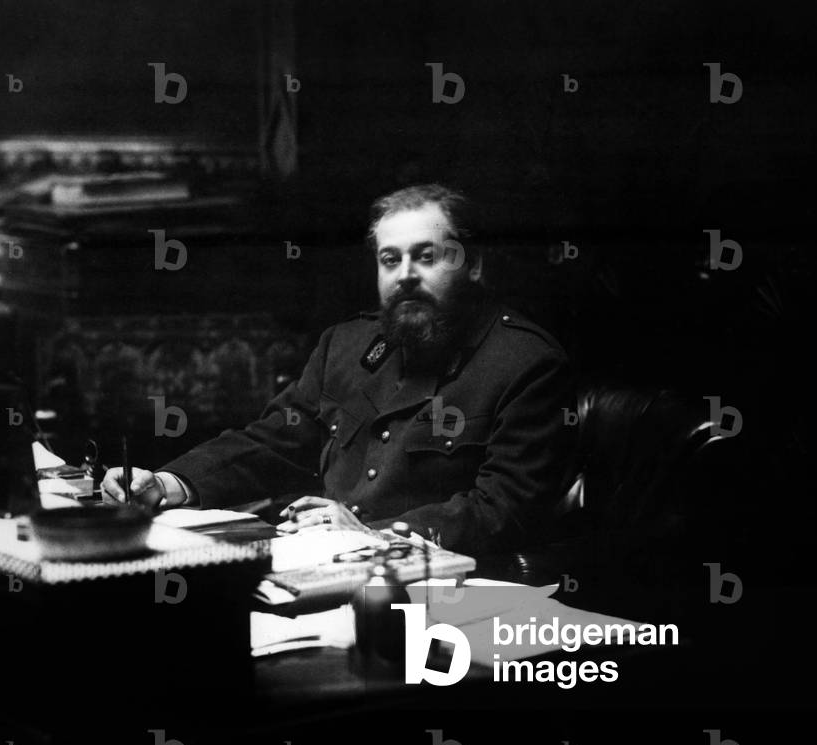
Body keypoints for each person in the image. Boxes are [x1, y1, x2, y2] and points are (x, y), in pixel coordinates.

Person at [103, 184, 575, 554]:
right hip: (321, 565)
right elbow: (273, 441)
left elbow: (504, 511)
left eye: (426, 257)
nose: (405, 274)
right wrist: (168, 484)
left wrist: (373, 537)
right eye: (390, 260)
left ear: (473, 266)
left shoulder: (523, 362)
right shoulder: (348, 344)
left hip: (445, 588)